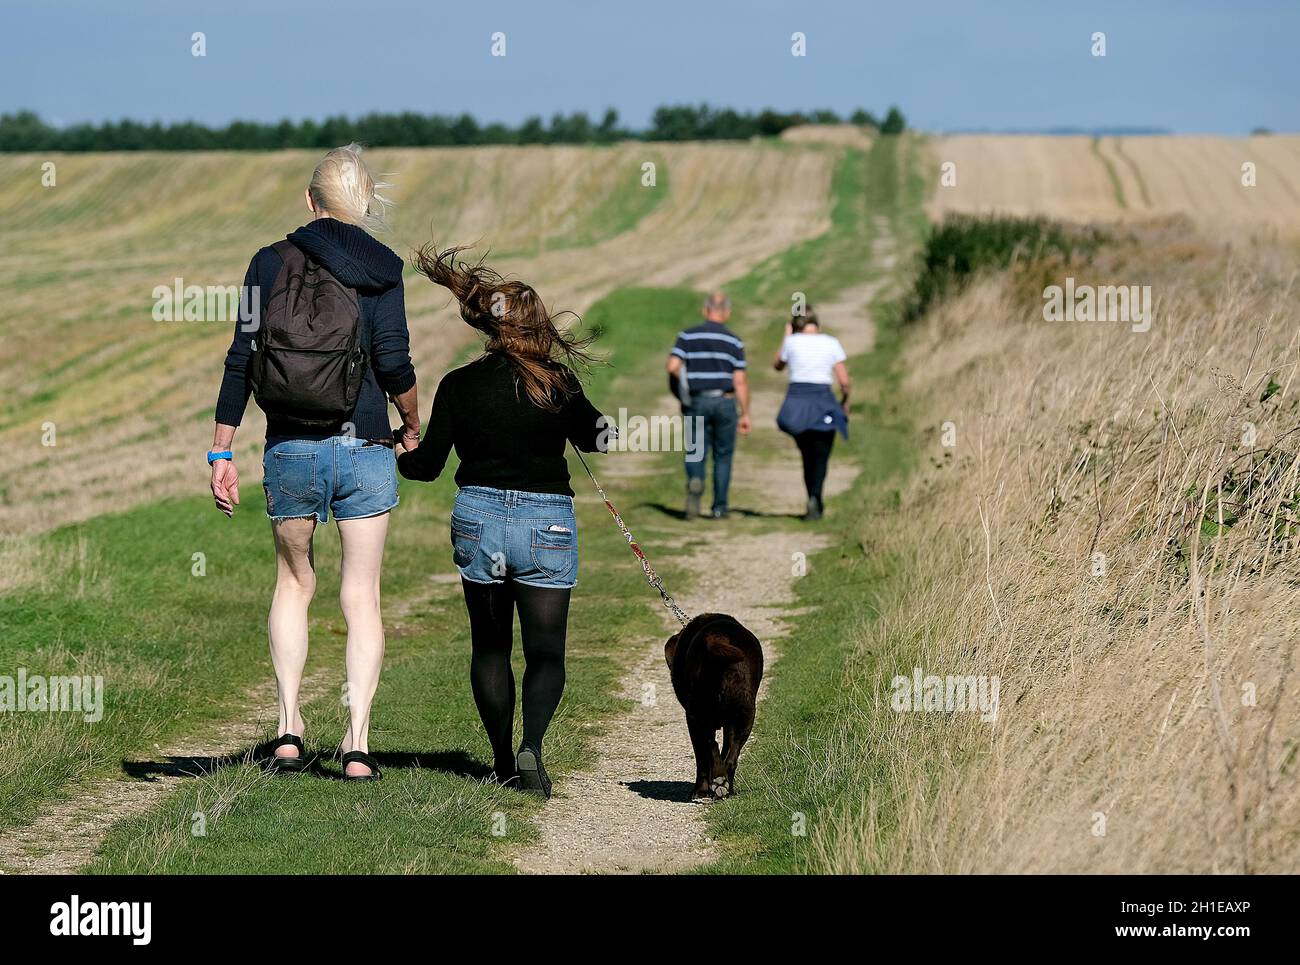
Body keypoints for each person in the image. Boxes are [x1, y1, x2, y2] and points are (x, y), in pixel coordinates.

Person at [209, 144, 421, 781]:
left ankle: (287, 730)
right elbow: (394, 361)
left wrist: (221, 448)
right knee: (362, 595)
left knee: (294, 586)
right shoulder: (383, 267)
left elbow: (241, 359)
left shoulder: (266, 263)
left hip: (290, 447)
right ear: (365, 205)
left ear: (311, 200)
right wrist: (410, 422)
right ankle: (356, 744)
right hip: (364, 445)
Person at [395, 245, 610, 798]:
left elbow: (425, 469)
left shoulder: (460, 384)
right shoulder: (556, 382)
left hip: (480, 519)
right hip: (546, 523)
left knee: (489, 648)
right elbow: (601, 438)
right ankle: (531, 746)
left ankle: (498, 760)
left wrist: (403, 447)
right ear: (537, 326)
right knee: (545, 651)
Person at [666, 292, 751, 519]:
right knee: (723, 455)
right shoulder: (734, 341)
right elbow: (740, 380)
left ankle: (695, 480)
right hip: (724, 401)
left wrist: (683, 385)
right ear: (727, 312)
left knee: (696, 450)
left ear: (705, 310)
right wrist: (745, 414)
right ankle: (719, 507)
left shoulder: (687, 336)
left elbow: (673, 365)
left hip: (697, 400)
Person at [773, 304, 850, 520]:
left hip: (796, 404)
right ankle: (816, 497)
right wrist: (844, 401)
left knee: (807, 455)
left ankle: (812, 496)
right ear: (817, 324)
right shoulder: (831, 343)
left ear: (795, 326)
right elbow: (844, 382)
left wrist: (786, 336)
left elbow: (777, 365)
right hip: (823, 402)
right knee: (821, 456)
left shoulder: (791, 341)